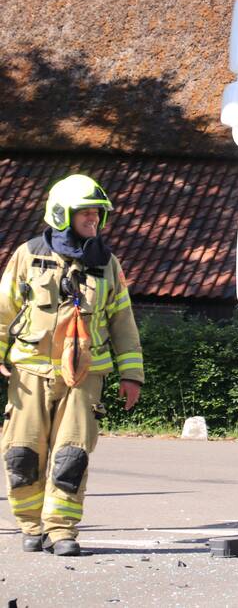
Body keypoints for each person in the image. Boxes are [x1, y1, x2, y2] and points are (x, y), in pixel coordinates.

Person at [0, 174, 145, 557]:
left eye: (98, 214)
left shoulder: (106, 263)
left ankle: (61, 530)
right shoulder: (28, 256)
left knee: (71, 455)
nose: (95, 220)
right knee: (22, 453)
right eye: (87, 213)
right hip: (28, 373)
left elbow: (122, 321)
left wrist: (131, 375)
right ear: (62, 213)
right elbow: (4, 309)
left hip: (84, 377)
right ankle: (30, 526)